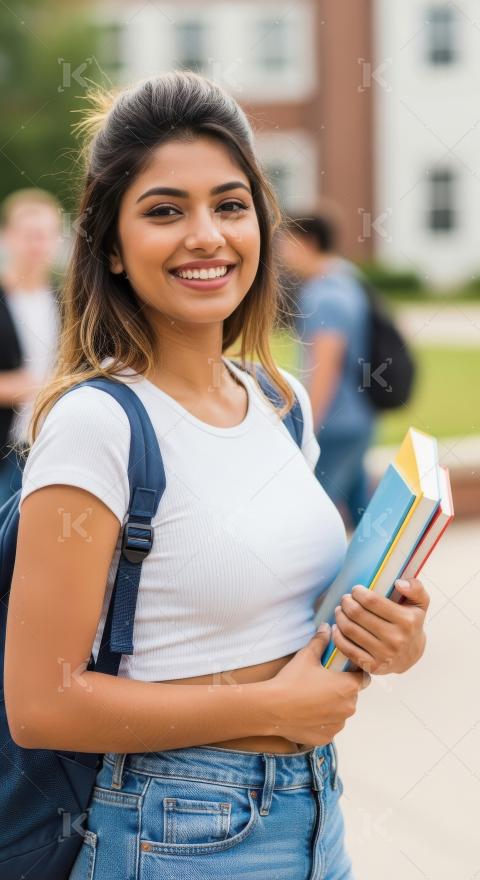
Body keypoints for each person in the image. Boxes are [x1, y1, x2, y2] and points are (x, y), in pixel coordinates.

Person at [4, 72, 430, 880]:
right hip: (174, 832)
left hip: (315, 813)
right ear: (111, 247)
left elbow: (289, 617)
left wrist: (387, 637)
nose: (207, 234)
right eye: (165, 211)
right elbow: (42, 703)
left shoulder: (281, 401)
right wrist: (272, 708)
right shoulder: (99, 423)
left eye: (230, 206)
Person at [278, 210, 378, 530]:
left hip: (335, 426)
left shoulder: (323, 295)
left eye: (285, 242)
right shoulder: (347, 279)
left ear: (306, 243)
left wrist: (306, 427)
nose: (280, 252)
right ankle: (389, 573)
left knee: (312, 516)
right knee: (364, 515)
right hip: (358, 417)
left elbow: (325, 368)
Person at [0, 188, 62, 507]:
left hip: (54, 448)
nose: (38, 244)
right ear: (8, 236)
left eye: (46, 235)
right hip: (7, 453)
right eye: (29, 235)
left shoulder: (70, 304)